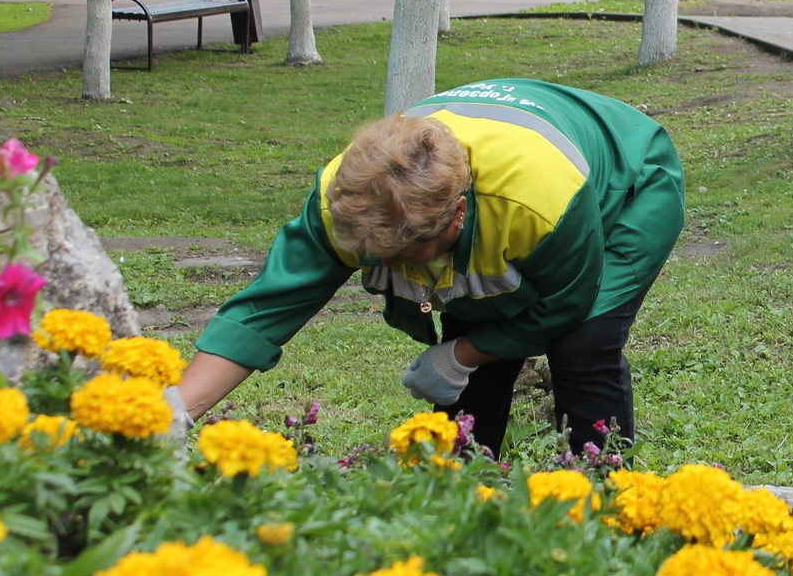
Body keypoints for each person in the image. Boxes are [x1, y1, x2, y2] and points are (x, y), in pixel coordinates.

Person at [167, 78, 686, 458]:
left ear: (457, 215)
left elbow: (562, 304)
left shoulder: (540, 203)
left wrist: (460, 354)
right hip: (518, 157)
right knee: (480, 316)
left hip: (630, 179)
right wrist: (175, 412)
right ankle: (458, 489)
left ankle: (605, 497)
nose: (388, 267)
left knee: (583, 341)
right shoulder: (349, 197)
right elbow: (267, 307)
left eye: (403, 255)